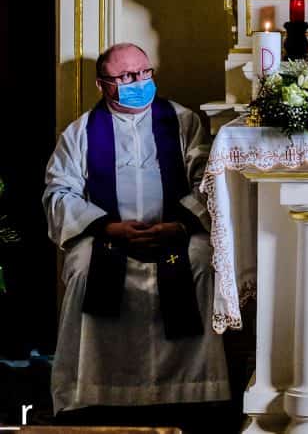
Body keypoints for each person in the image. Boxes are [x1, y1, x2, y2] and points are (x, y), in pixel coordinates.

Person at [42, 43, 230, 419]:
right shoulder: (81, 132)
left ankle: (194, 389)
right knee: (83, 266)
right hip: (108, 237)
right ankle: (97, 390)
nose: (139, 83)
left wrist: (179, 224)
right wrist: (108, 227)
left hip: (174, 232)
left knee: (201, 259)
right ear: (102, 84)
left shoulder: (182, 122)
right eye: (127, 77)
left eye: (145, 73)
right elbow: (59, 192)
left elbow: (208, 181)